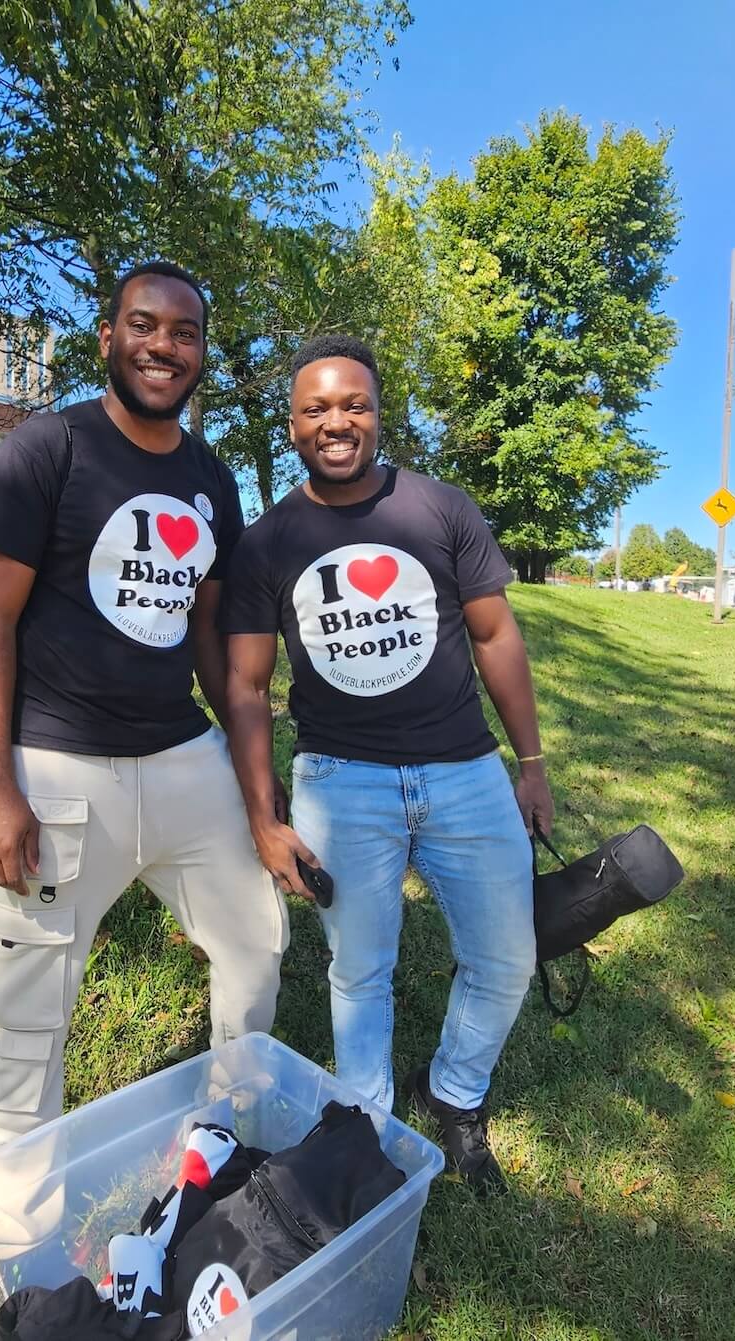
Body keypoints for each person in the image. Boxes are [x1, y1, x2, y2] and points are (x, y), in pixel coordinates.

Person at [0, 261, 288, 1273]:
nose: (163, 346)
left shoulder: (212, 479)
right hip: (56, 767)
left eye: (184, 333)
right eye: (143, 326)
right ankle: (19, 1239)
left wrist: (258, 802)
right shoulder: (47, 449)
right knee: (25, 1009)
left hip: (180, 757)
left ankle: (216, 1146)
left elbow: (213, 646)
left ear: (202, 354)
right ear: (108, 337)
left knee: (257, 944)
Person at [222, 334, 553, 1194]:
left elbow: (495, 635)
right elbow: (249, 689)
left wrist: (532, 761)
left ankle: (454, 1093)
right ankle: (362, 1129)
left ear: (379, 412)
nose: (338, 421)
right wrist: (264, 816)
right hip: (341, 782)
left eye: (355, 404)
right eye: (317, 408)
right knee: (359, 971)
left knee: (507, 956)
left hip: (466, 771)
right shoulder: (266, 543)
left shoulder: (440, 509)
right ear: (292, 424)